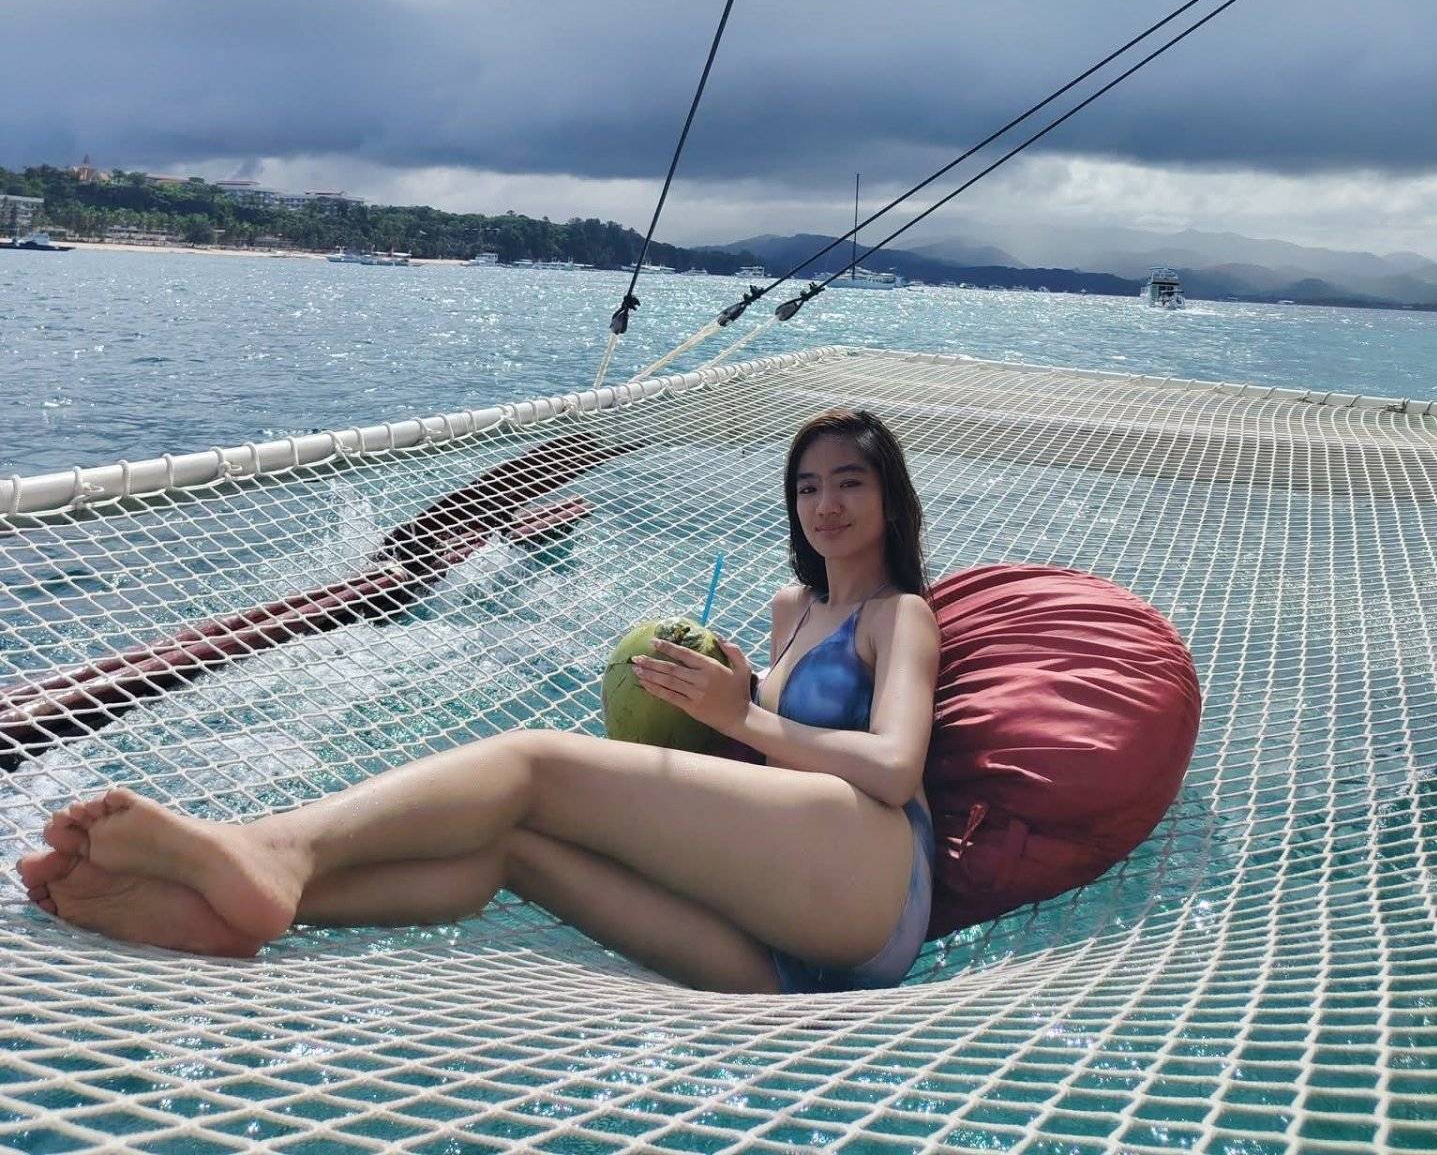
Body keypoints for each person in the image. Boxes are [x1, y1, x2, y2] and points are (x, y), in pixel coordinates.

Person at [18, 408, 941, 994]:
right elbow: (771, 760)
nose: (825, 504)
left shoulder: (899, 614)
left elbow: (896, 770)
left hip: (874, 890)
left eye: (848, 483)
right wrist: (703, 711)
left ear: (890, 501)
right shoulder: (792, 608)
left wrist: (742, 717)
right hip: (780, 955)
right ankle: (224, 910)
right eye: (808, 486)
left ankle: (275, 851)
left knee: (533, 764)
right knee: (511, 849)